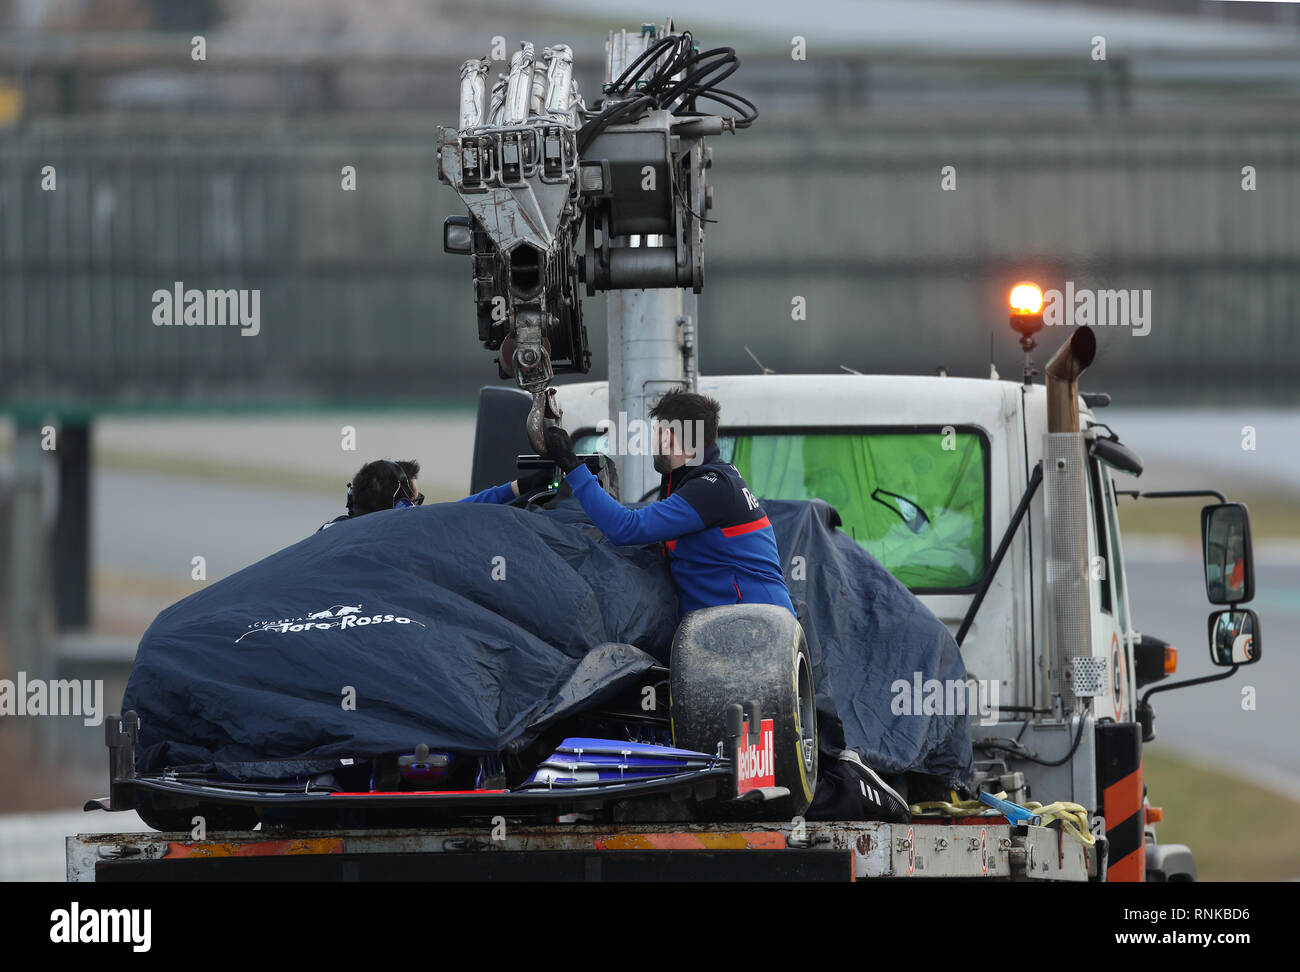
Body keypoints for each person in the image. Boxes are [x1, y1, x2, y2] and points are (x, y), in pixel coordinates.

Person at [543, 389, 794, 618]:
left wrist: (571, 465)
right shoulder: (707, 481)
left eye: (656, 433)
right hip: (744, 624)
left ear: (669, 437)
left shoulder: (710, 487)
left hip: (754, 630)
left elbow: (625, 528)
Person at [318, 459, 554, 531]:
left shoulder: (330, 531)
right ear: (402, 508)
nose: (419, 509)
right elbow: (454, 515)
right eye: (416, 502)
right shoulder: (401, 539)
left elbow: (452, 510)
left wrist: (518, 487)